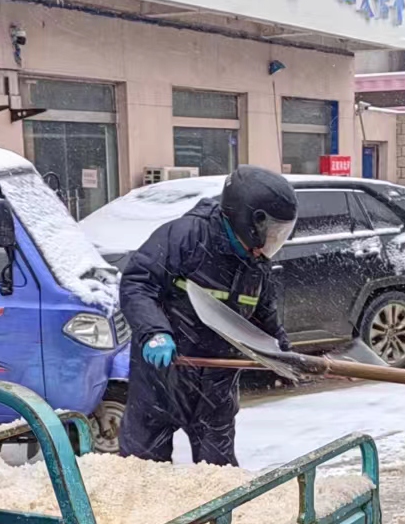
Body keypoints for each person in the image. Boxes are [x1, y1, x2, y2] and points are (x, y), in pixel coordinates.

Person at [118, 165, 298, 465]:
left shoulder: (256, 266)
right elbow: (138, 283)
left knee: (219, 477)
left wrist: (283, 355)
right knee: (144, 471)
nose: (272, 242)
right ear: (249, 221)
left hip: (216, 386)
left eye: (280, 234)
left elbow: (264, 317)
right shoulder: (186, 236)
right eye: (271, 232)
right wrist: (154, 331)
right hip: (163, 376)